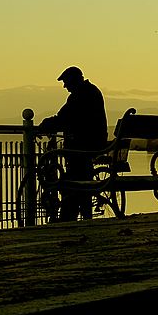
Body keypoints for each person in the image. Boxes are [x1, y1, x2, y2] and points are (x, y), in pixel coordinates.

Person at [37, 66, 108, 221]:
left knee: (72, 180)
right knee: (75, 177)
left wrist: (45, 125)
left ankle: (67, 216)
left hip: (85, 145)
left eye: (66, 82)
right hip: (92, 142)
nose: (64, 86)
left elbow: (65, 117)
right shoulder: (89, 91)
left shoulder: (81, 94)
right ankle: (74, 213)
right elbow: (68, 117)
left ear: (73, 80)